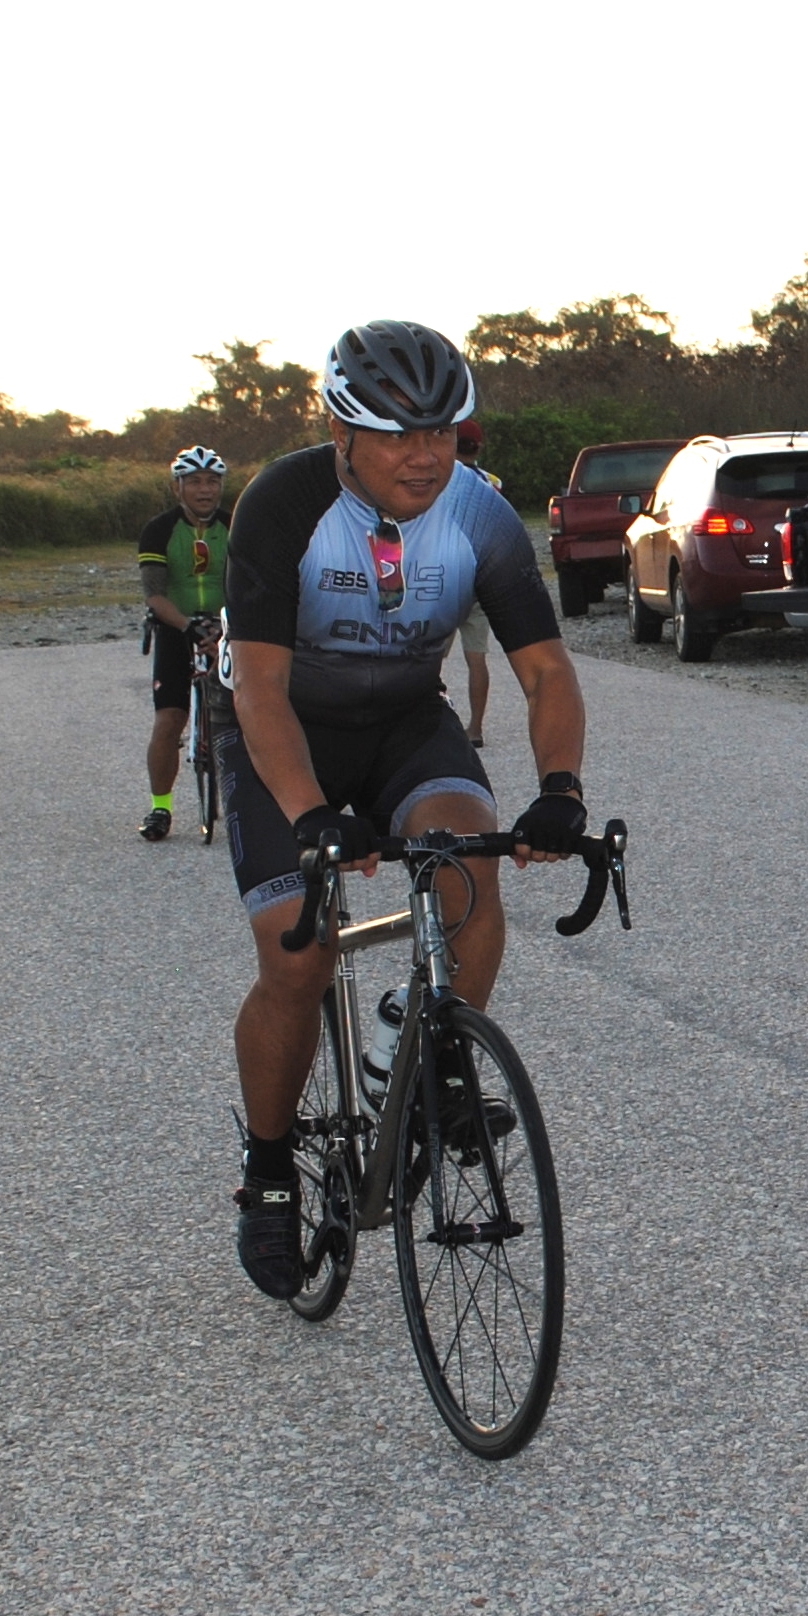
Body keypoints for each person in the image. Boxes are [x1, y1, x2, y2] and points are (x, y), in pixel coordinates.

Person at [220, 319, 591, 1299]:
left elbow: (546, 668)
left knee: (467, 877)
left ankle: (432, 1053)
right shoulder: (282, 504)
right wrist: (308, 813)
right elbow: (256, 690)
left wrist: (559, 789)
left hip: (401, 723)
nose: (425, 454)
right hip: (282, 729)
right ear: (341, 431)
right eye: (395, 433)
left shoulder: (478, 514)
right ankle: (267, 1172)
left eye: (440, 430)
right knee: (295, 957)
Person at [136, 446, 232, 839]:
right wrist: (190, 627)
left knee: (254, 714)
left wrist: (228, 628)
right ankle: (161, 808)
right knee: (169, 718)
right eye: (194, 482)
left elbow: (253, 582)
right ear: (178, 488)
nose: (204, 490)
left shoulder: (236, 525)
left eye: (212, 481)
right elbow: (155, 595)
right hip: (176, 627)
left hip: (228, 629)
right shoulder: (159, 530)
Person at [453, 420, 499, 745]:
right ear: (479, 448)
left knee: (426, 659)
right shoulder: (492, 483)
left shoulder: (443, 481)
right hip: (480, 578)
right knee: (476, 657)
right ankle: (476, 728)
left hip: (446, 578)